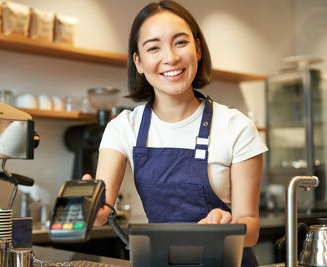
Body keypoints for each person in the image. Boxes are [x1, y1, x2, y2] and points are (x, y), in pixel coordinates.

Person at [83, 1, 268, 266]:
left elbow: (250, 227)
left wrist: (227, 226)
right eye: (154, 47)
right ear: (138, 62)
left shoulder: (235, 127)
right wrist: (90, 209)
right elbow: (103, 210)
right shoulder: (123, 127)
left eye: (180, 42)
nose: (170, 57)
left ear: (198, 49)